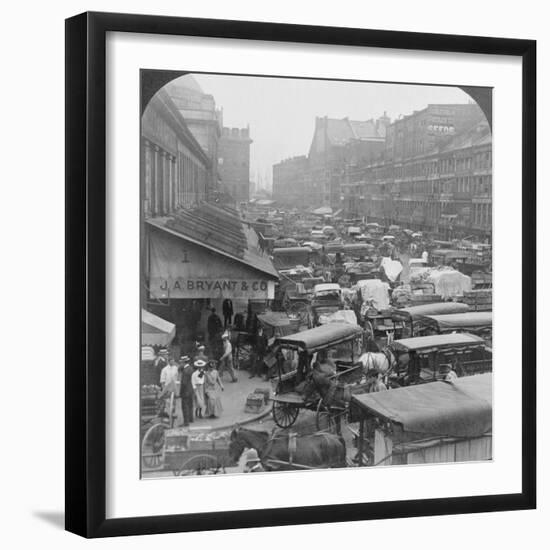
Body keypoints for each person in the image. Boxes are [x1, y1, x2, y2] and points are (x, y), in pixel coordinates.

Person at [179, 355, 194, 426]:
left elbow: (184, 383)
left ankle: (186, 422)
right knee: (190, 405)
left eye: (181, 362)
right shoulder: (191, 368)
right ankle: (191, 419)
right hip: (191, 389)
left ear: (183, 362)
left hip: (185, 391)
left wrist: (180, 392)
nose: (180, 364)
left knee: (185, 406)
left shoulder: (185, 371)